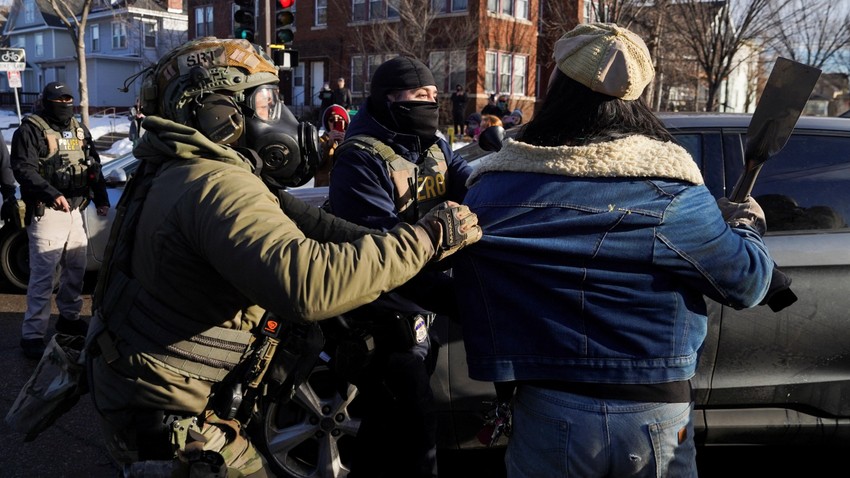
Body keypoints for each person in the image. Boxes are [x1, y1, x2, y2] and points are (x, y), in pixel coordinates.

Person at [85, 37, 481, 478]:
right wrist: (425, 239)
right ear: (221, 114)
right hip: (172, 413)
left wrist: (419, 263)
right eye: (267, 101)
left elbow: (317, 224)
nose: (282, 118)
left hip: (153, 393)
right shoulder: (211, 183)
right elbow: (308, 285)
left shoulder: (182, 165)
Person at [453, 23, 775, 478]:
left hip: (547, 406)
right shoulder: (673, 192)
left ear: (557, 85)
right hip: (656, 415)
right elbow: (747, 283)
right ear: (639, 94)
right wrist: (746, 225)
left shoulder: (490, 188)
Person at [328, 56, 473, 478]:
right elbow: (379, 243)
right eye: (420, 96)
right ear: (391, 99)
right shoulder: (360, 158)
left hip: (420, 309)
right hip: (380, 309)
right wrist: (455, 298)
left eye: (433, 95)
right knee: (414, 432)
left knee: (384, 432)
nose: (431, 103)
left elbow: (465, 180)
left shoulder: (432, 143)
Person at [11, 81, 110, 359]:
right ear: (47, 101)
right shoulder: (30, 129)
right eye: (59, 99)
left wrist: (101, 198)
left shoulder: (78, 129)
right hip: (47, 212)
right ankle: (32, 335)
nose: (65, 104)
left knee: (76, 269)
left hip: (76, 211)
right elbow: (23, 169)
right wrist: (52, 193)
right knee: (44, 277)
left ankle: (68, 317)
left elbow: (93, 164)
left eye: (69, 99)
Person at [315, 104, 350, 187]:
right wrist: (328, 144)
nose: (335, 122)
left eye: (340, 120)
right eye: (331, 120)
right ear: (327, 123)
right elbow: (315, 162)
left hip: (344, 187)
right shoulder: (320, 141)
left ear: (345, 123)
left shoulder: (351, 141)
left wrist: (344, 145)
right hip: (324, 189)